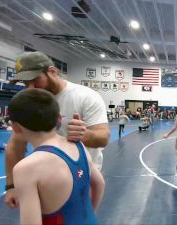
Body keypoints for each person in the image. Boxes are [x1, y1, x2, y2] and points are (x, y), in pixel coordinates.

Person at [5, 51, 110, 209]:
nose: (31, 88)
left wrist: (85, 135)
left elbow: (103, 137)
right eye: (25, 83)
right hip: (45, 182)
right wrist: (11, 186)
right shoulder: (30, 102)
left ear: (52, 71)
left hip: (82, 177)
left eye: (35, 80)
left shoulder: (86, 97)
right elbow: (15, 146)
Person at [9, 88, 105, 224]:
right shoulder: (78, 145)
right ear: (59, 118)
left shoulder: (26, 169)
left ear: (15, 127)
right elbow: (99, 184)